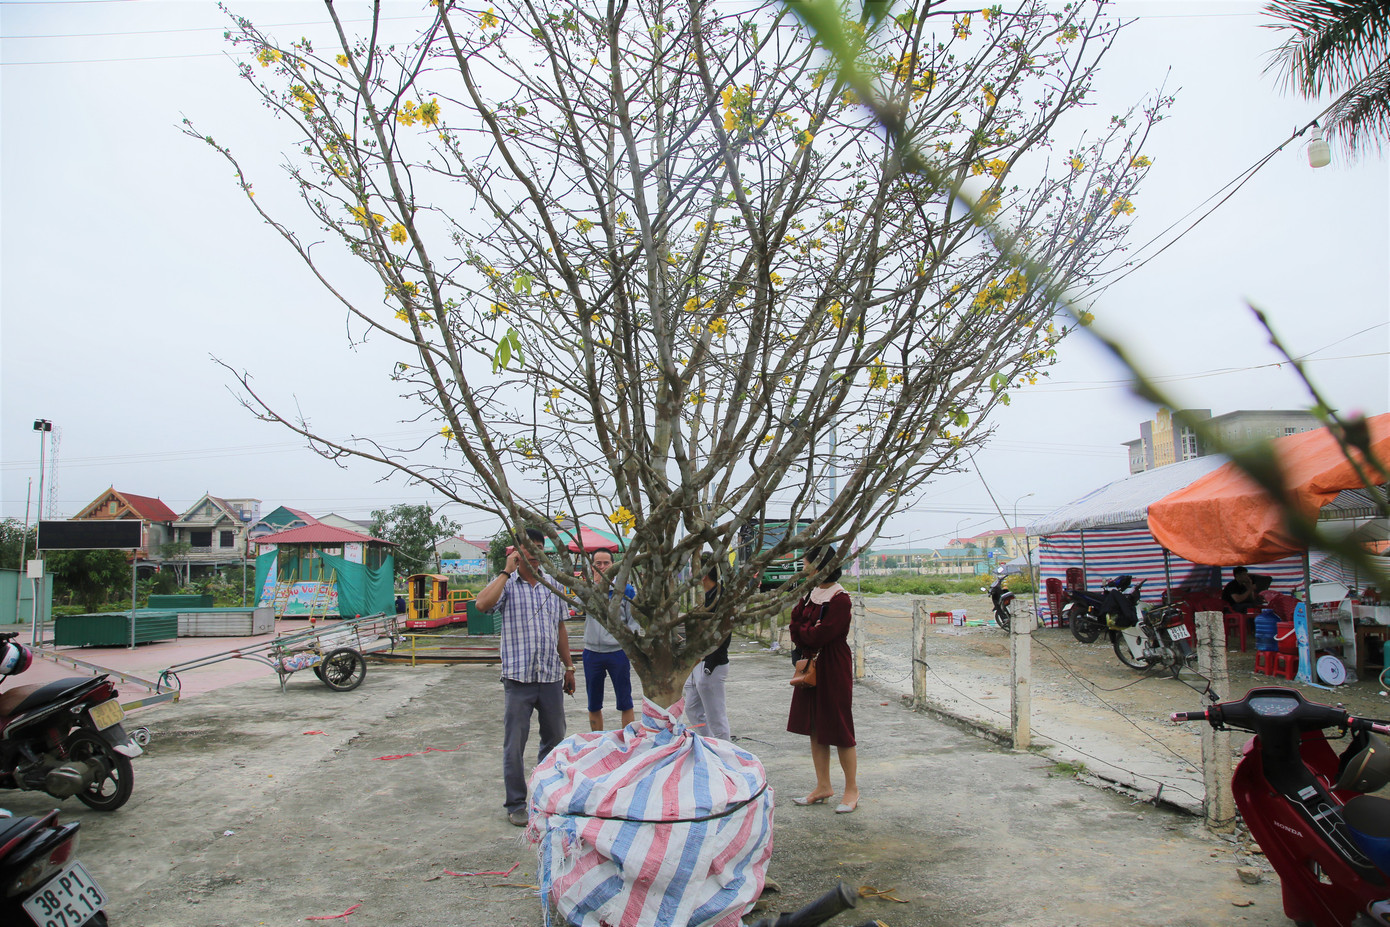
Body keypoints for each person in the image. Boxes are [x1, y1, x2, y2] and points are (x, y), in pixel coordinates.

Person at [473, 528, 576, 827]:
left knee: (555, 740)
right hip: (518, 679)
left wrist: (569, 667)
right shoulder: (506, 584)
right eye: (527, 548)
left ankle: (546, 796)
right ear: (517, 552)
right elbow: (481, 605)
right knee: (514, 744)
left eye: (538, 547)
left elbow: (560, 628)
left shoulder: (553, 584)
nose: (533, 553)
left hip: (550, 677)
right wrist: (506, 571)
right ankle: (516, 803)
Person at [787, 545, 858, 814]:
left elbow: (822, 635)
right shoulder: (810, 594)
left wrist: (806, 631)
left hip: (833, 665)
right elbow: (795, 626)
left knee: (839, 727)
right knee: (815, 726)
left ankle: (851, 790)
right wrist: (807, 630)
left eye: (806, 563)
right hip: (811, 665)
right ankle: (823, 786)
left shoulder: (840, 599)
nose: (804, 567)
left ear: (819, 566)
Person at [582, 548, 638, 731]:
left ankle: (629, 740)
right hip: (592, 652)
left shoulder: (625, 590)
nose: (602, 567)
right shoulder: (587, 590)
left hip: (617, 652)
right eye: (598, 563)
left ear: (614, 565)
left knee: (625, 701)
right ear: (592, 567)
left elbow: (633, 621)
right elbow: (580, 607)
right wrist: (596, 586)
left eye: (606, 563)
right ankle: (597, 740)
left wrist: (629, 644)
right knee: (593, 703)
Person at [683, 561, 732, 741]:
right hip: (698, 662)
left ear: (704, 575)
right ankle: (708, 743)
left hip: (712, 663)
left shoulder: (722, 598)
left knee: (716, 717)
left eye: (693, 570)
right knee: (691, 708)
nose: (690, 574)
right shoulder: (704, 597)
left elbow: (724, 635)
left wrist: (710, 663)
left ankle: (724, 750)